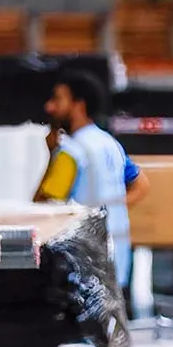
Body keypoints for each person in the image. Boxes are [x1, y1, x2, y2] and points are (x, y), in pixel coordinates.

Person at [34, 70, 151, 287]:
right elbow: (142, 185)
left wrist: (51, 157)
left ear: (79, 104)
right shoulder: (111, 145)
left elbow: (44, 208)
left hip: (83, 270)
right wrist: (106, 210)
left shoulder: (71, 151)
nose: (50, 107)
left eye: (58, 99)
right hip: (117, 263)